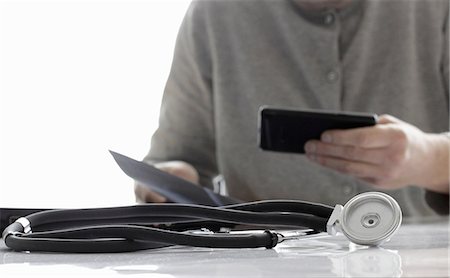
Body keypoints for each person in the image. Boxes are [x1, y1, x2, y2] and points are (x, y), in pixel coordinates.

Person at [135, 0, 449, 216]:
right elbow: (176, 158)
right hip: (263, 256)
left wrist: (426, 157)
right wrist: (171, 181)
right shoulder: (215, 12)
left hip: (419, 254)